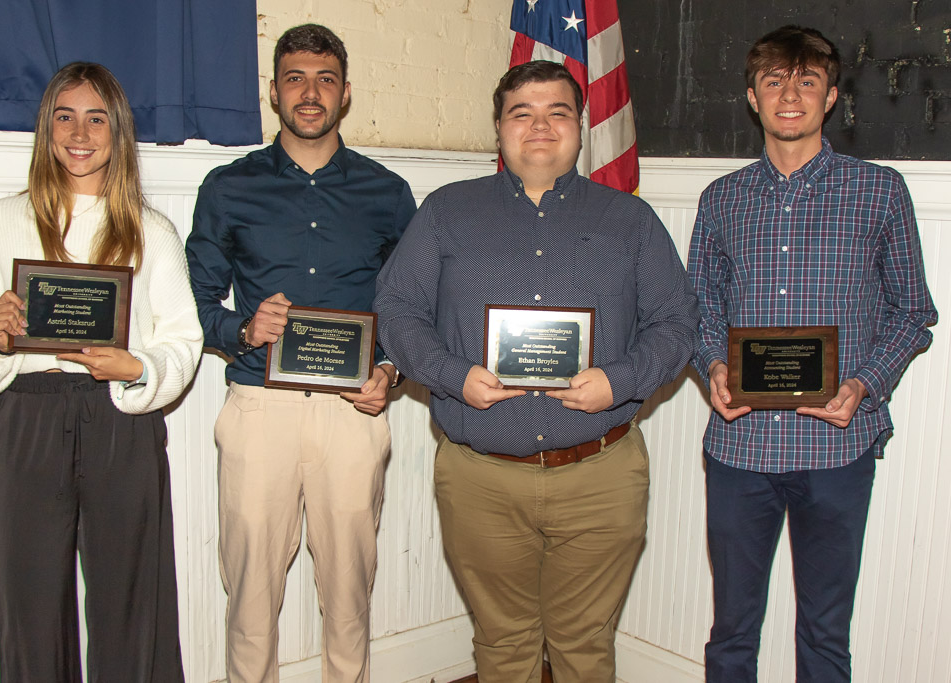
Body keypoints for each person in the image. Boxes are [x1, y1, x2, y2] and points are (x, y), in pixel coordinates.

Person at [373, 60, 699, 681]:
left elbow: (676, 322)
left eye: (557, 113)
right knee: (502, 644)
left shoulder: (630, 220)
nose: (539, 127)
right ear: (499, 129)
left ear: (580, 128)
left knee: (585, 647)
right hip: (481, 481)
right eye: (521, 113)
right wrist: (449, 372)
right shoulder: (446, 212)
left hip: (601, 475)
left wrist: (620, 381)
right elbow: (397, 308)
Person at [687, 25, 938, 683]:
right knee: (731, 631)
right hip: (740, 452)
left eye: (806, 81)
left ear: (829, 97)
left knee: (826, 634)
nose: (789, 95)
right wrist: (714, 364)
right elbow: (698, 311)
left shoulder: (880, 193)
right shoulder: (721, 200)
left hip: (838, 452)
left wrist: (862, 385)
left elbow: (914, 312)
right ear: (752, 96)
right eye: (774, 81)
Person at [0, 62, 202, 681]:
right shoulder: (1, 222)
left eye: (96, 117)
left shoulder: (152, 231)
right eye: (65, 116)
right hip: (29, 422)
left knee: (130, 602)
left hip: (120, 421)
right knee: (30, 604)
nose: (80, 132)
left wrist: (136, 365)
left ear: (118, 132)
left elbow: (184, 341)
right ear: (46, 128)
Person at [185, 23, 415, 683]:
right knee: (251, 593)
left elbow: (409, 310)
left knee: (349, 593)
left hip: (354, 413)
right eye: (295, 78)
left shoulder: (388, 193)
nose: (309, 93)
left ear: (345, 95)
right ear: (274, 92)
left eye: (325, 79)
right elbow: (194, 306)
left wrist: (391, 372)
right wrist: (243, 330)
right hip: (261, 408)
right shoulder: (229, 189)